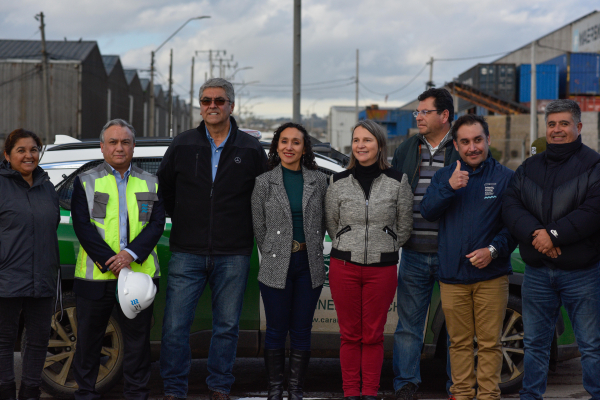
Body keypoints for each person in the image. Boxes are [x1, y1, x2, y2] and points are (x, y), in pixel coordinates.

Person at [158, 78, 268, 400]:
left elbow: (261, 199)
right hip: (186, 251)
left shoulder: (250, 149)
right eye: (206, 101)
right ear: (200, 106)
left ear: (231, 106)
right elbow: (165, 191)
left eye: (219, 101)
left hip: (233, 253)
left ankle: (219, 386)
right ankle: (174, 389)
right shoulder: (182, 144)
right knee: (175, 328)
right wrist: (188, 221)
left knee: (226, 327)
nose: (212, 106)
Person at [502, 99, 600, 400]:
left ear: (578, 127)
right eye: (552, 124)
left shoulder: (594, 165)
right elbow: (511, 206)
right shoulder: (529, 167)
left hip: (581, 274)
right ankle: (531, 396)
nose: (557, 130)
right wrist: (537, 235)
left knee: (591, 346)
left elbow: (593, 211)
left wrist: (553, 236)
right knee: (534, 344)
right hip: (538, 274)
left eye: (564, 124)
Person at [420, 115, 516, 400]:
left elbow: (514, 227)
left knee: (489, 344)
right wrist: (449, 187)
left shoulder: (505, 178)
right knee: (458, 343)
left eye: (477, 140)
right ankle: (460, 394)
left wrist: (493, 251)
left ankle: (488, 396)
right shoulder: (444, 176)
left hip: (491, 276)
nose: (472, 147)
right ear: (456, 145)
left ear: (488, 140)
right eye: (465, 142)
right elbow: (427, 211)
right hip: (452, 276)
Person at [71, 119, 165, 400]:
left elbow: (156, 224)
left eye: (125, 142)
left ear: (133, 146)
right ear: (102, 147)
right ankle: (85, 394)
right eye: (113, 142)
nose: (119, 147)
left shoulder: (150, 181)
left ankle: (136, 394)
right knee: (89, 341)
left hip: (138, 279)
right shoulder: (86, 182)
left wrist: (129, 255)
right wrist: (111, 260)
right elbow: (82, 227)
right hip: (96, 277)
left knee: (138, 343)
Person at [325, 120, 413, 400]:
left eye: (367, 140)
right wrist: (347, 241)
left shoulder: (398, 181)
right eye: (357, 140)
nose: (361, 145)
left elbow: (404, 227)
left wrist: (384, 244)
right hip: (344, 267)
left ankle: (370, 392)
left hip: (382, 268)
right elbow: (331, 224)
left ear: (379, 145)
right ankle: (351, 392)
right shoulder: (337, 182)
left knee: (373, 335)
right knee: (350, 334)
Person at [390, 88, 459, 400]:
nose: (417, 116)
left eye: (424, 111)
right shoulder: (407, 148)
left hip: (450, 253)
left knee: (456, 327)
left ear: (444, 116)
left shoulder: (462, 148)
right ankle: (406, 383)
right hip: (414, 252)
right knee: (409, 325)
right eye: (416, 112)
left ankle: (456, 386)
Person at [251, 122, 327, 400]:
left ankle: (295, 390)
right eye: (284, 141)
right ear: (276, 146)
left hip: (309, 264)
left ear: (304, 147)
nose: (289, 147)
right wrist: (276, 250)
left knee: (301, 330)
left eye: (296, 142)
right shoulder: (263, 182)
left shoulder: (318, 180)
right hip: (275, 264)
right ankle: (274, 390)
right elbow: (259, 226)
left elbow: (324, 221)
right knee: (275, 329)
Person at [0, 129, 59, 400]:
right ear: (7, 155)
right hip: (6, 278)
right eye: (21, 150)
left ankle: (30, 391)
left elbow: (52, 225)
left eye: (33, 149)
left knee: (38, 341)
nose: (28, 155)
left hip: (43, 276)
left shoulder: (47, 186)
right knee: (3, 341)